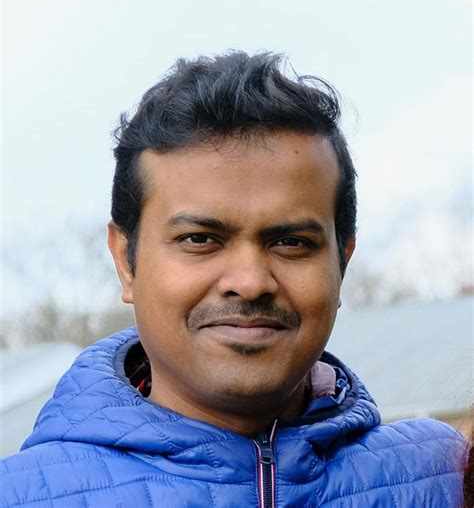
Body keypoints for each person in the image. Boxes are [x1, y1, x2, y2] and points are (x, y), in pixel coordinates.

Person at [1, 51, 466, 507]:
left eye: (291, 242)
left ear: (342, 262)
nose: (250, 282)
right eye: (200, 239)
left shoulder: (444, 477)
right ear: (126, 259)